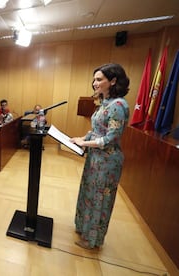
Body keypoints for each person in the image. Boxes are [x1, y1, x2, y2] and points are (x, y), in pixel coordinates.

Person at [69, 63, 130, 249]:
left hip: (107, 162)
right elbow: (97, 130)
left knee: (99, 200)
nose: (94, 83)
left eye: (99, 79)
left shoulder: (119, 105)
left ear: (113, 81)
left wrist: (84, 143)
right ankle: (83, 228)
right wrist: (83, 138)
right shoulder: (105, 103)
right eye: (94, 79)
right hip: (95, 159)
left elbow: (111, 138)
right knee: (88, 194)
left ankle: (92, 240)